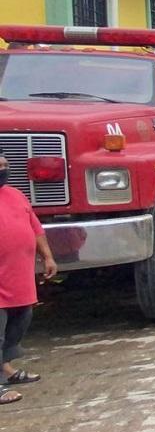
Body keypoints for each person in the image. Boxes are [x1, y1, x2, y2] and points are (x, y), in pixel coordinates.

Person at [0, 152, 58, 406]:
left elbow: (35, 228)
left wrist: (47, 257)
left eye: (4, 165)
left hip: (18, 276)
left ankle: (7, 368)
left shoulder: (15, 194)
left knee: (22, 318)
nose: (2, 169)